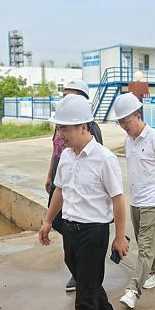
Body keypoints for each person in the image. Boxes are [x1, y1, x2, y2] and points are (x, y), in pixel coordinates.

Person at [39, 95, 129, 310]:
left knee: (85, 300)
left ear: (83, 127)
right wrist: (48, 221)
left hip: (94, 234)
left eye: (65, 128)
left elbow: (118, 200)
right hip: (70, 232)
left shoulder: (104, 159)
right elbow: (60, 190)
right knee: (88, 284)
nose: (60, 134)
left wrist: (119, 237)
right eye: (59, 128)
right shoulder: (66, 156)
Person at [112, 93, 155, 309]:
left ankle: (133, 290)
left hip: (153, 201)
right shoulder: (128, 141)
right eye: (120, 123)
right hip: (136, 201)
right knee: (144, 242)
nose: (124, 126)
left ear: (137, 115)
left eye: (126, 121)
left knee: (145, 247)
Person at [44, 79, 103, 292]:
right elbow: (55, 151)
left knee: (75, 226)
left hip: (76, 187)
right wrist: (50, 175)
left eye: (71, 96)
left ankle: (82, 272)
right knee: (58, 221)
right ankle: (79, 265)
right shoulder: (61, 124)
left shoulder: (89, 127)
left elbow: (95, 162)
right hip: (61, 179)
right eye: (64, 95)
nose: (66, 99)